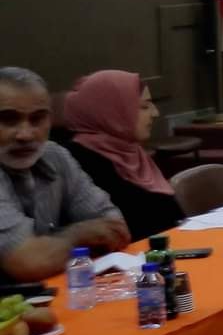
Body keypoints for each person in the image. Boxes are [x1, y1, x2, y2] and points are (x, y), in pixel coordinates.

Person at [0, 66, 131, 281]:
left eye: (37, 119)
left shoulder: (55, 155)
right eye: (8, 120)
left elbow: (115, 229)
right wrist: (77, 235)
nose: (25, 134)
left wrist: (51, 249)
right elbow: (29, 263)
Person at [57, 69, 185, 241]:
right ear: (111, 111)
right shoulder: (77, 160)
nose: (155, 113)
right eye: (144, 106)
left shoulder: (130, 152)